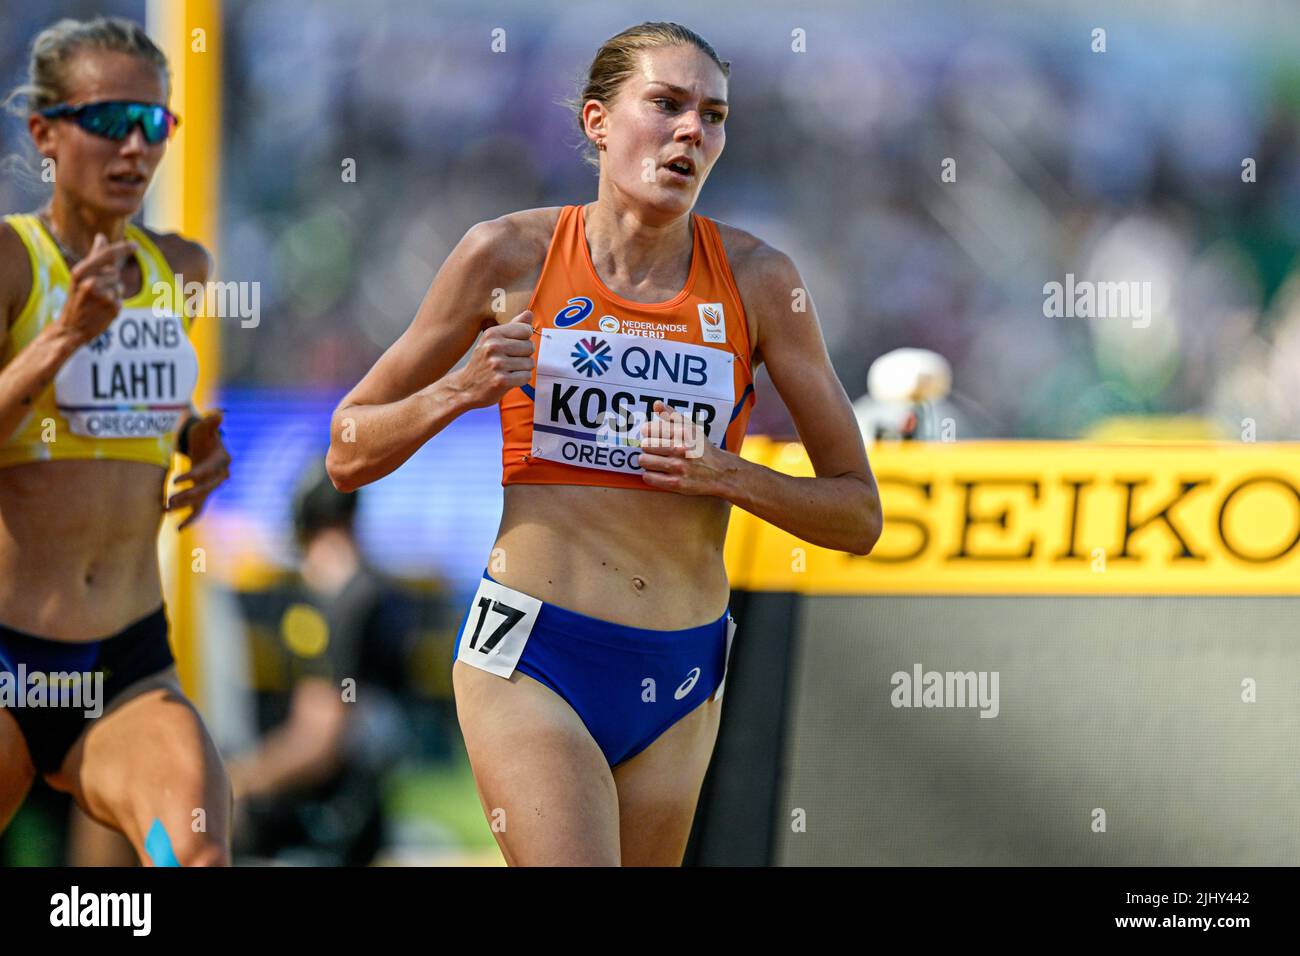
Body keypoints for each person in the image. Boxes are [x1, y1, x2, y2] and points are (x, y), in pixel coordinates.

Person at [327, 20, 882, 866]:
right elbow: (348, 448)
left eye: (714, 115)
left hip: (683, 669)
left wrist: (726, 473)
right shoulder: (505, 256)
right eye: (665, 105)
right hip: (534, 653)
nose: (692, 130)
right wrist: (460, 389)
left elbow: (858, 514)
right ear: (597, 123)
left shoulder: (763, 282)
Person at [0, 17, 232, 865]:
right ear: (46, 134)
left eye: (155, 124)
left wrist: (193, 441)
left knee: (196, 853)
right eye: (108, 123)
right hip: (8, 655)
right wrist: (58, 339)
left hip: (126, 660)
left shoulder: (185, 270)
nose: (135, 147)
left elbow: (134, 415)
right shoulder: (11, 263)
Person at [228, 462, 414, 866]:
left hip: (325, 822)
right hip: (357, 814)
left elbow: (320, 742)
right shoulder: (376, 592)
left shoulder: (344, 599)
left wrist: (239, 781)